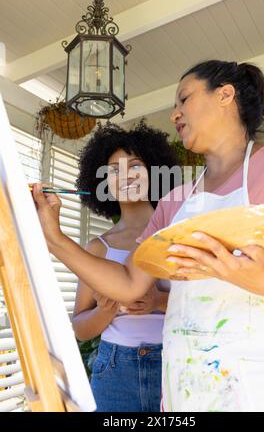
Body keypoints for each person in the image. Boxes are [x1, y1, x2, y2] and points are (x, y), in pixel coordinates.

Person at [32, 60, 264, 412]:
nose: (174, 114)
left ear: (225, 95)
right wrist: (54, 238)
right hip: (184, 391)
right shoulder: (176, 201)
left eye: (183, 99)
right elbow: (129, 282)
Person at [72, 122, 179, 412]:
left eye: (134, 165)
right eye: (113, 170)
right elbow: (80, 328)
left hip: (175, 363)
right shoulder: (98, 248)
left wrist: (158, 301)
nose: (125, 176)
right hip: (114, 370)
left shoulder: (180, 230)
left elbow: (205, 302)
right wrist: (105, 310)